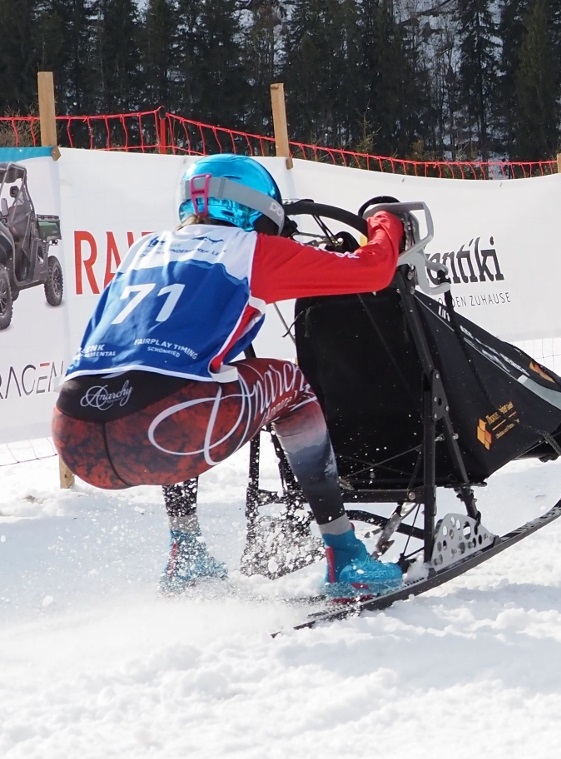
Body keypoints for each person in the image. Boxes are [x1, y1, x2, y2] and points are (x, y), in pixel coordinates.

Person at [52, 153, 407, 598]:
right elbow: (372, 271)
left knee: (184, 377)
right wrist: (385, 221)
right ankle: (345, 555)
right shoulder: (252, 250)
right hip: (164, 431)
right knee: (290, 383)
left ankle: (186, 553)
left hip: (76, 433)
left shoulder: (143, 250)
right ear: (260, 210)